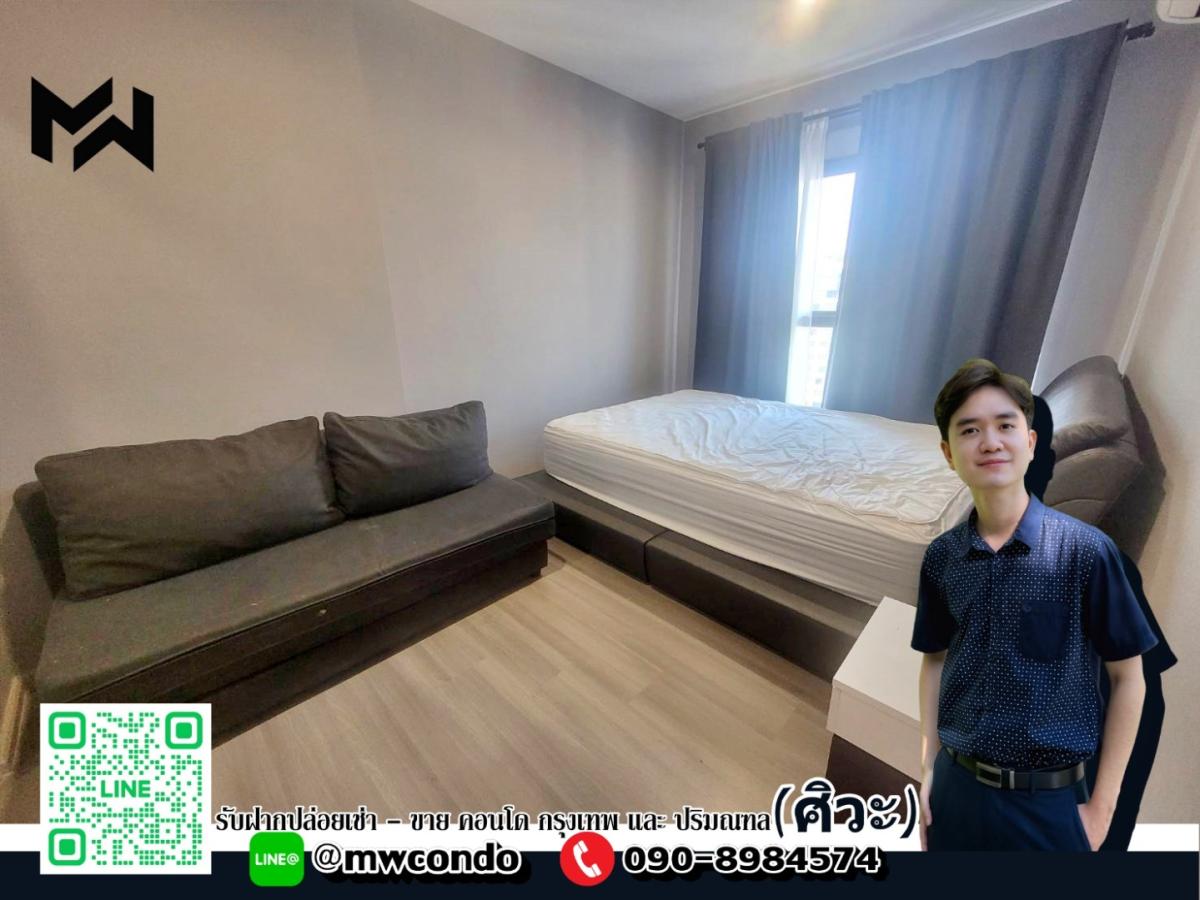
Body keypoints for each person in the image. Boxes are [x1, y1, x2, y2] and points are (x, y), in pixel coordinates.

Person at [911, 359, 1158, 851]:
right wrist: (928, 765)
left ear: (1029, 441)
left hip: (1048, 805)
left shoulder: (1086, 554)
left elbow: (1130, 677)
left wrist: (1104, 809)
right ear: (948, 453)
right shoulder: (942, 557)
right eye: (970, 430)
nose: (990, 442)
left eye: (1005, 425)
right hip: (956, 789)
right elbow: (933, 660)